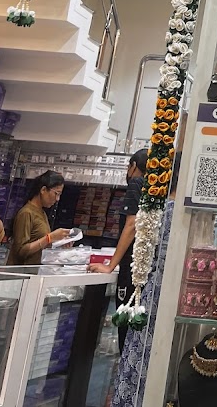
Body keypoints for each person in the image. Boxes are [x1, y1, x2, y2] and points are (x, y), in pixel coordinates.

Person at [88, 149, 147, 351]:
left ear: (133, 166)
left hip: (130, 270)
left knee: (125, 329)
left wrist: (110, 265)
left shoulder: (136, 184)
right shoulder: (155, 190)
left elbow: (131, 225)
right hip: (144, 268)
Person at [6, 170, 72, 265]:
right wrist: (49, 238)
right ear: (43, 190)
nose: (57, 199)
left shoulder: (41, 212)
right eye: (56, 193)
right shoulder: (26, 213)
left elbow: (39, 245)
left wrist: (59, 242)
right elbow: (21, 251)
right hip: (21, 272)